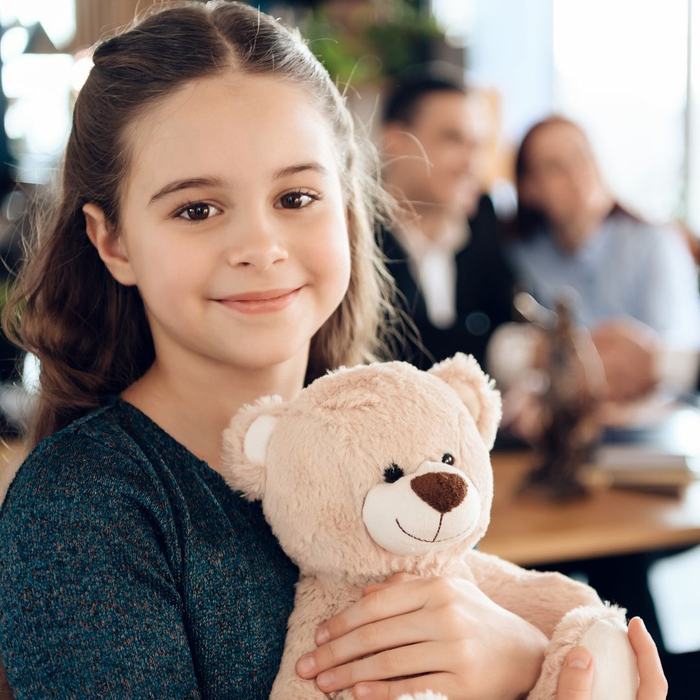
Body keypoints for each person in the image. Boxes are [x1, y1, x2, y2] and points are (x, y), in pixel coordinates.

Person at [0, 4, 664, 698]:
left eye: (296, 196)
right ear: (113, 242)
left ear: (346, 207)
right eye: (196, 209)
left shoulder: (397, 442)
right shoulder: (82, 511)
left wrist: (529, 662)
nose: (261, 246)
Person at [498, 116, 700, 404]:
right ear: (530, 188)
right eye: (555, 167)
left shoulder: (655, 243)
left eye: (582, 156)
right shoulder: (520, 255)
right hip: (566, 417)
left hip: (656, 415)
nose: (576, 174)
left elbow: (678, 352)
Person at [378, 65, 516, 371]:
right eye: (453, 139)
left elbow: (511, 314)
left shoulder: (483, 217)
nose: (472, 163)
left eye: (479, 145)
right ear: (395, 141)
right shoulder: (350, 231)